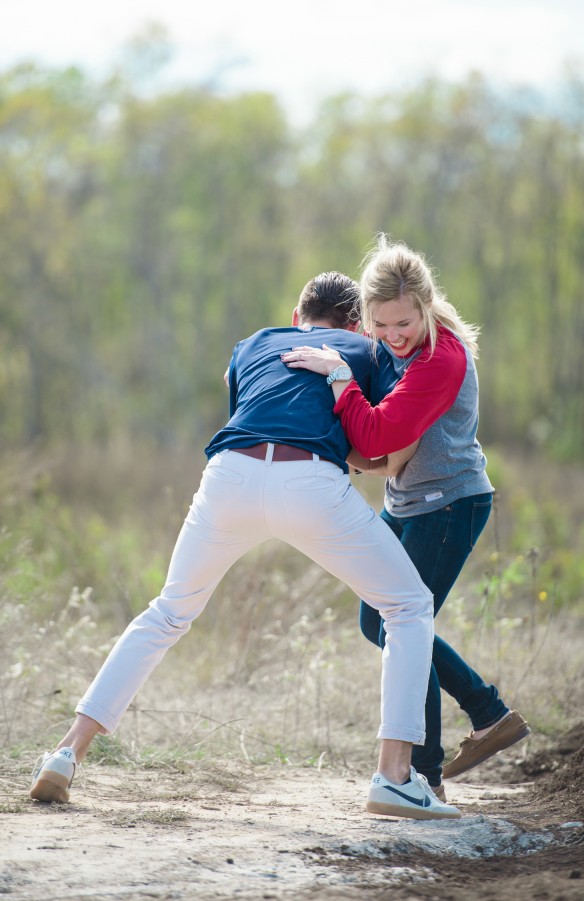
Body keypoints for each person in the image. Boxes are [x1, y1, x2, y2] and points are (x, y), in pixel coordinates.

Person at [30, 271, 461, 820]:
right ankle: (395, 778)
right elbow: (369, 441)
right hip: (310, 481)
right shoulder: (367, 351)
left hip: (228, 475)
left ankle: (66, 753)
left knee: (166, 613)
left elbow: (253, 410)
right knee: (407, 606)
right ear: (358, 323)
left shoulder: (253, 343)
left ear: (296, 315)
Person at [281, 237, 531, 799]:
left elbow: (378, 435)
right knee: (382, 623)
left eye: (404, 323)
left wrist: (341, 380)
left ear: (425, 305)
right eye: (381, 325)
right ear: (366, 317)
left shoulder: (442, 357)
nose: (393, 336)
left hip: (449, 505)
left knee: (402, 626)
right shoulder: (384, 343)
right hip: (405, 503)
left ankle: (427, 778)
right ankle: (487, 713)